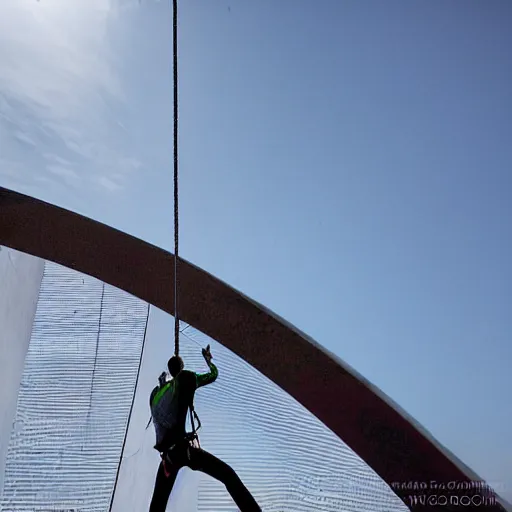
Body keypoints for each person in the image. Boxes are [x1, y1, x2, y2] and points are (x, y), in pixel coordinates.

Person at [149, 345, 261, 512]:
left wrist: (163, 383)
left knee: (158, 502)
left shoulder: (156, 394)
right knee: (227, 475)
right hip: (184, 451)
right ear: (181, 367)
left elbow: (164, 409)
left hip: (168, 457)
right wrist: (208, 361)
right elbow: (212, 376)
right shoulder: (186, 378)